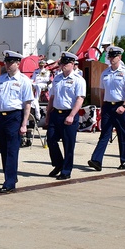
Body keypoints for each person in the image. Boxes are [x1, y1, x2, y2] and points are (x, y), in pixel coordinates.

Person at [0, 51, 35, 193]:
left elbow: (27, 103)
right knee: (4, 149)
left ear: (18, 63)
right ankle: (10, 177)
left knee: (12, 149)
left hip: (15, 116)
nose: (7, 65)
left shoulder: (24, 81)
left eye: (10, 62)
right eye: (6, 62)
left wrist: (24, 123)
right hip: (1, 116)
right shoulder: (0, 80)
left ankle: (9, 182)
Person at [88, 46, 125, 171]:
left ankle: (124, 161)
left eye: (114, 56)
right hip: (108, 106)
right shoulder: (105, 73)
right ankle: (96, 160)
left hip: (121, 105)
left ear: (119, 57)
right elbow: (103, 92)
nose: (111, 59)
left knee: (123, 134)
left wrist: (124, 106)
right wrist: (103, 107)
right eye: (110, 56)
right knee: (104, 134)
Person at [45, 52, 86, 180]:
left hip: (69, 114)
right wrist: (48, 114)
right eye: (61, 63)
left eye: (65, 63)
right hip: (56, 113)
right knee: (51, 139)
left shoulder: (78, 80)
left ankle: (66, 170)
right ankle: (58, 164)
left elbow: (80, 99)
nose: (62, 66)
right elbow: (52, 97)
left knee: (68, 144)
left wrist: (72, 115)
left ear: (72, 64)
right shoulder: (57, 78)